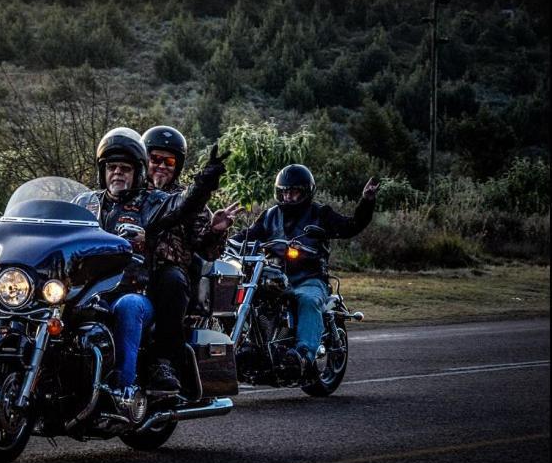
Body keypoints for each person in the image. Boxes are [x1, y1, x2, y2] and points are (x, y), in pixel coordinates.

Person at [73, 127, 226, 399]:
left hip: (152, 280)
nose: (118, 173)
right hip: (99, 284)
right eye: (112, 167)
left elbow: (185, 206)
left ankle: (152, 370)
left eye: (169, 162)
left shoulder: (155, 201)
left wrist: (205, 188)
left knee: (170, 281)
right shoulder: (88, 202)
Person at [230, 164, 379, 377]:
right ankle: (252, 348)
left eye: (294, 192)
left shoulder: (320, 214)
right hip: (274, 277)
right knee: (250, 300)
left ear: (306, 192)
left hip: (309, 279)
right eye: (285, 192)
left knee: (308, 299)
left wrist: (366, 202)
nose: (289, 197)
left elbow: (350, 226)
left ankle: (302, 356)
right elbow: (248, 235)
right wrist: (227, 241)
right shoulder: (269, 216)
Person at [140, 126, 240, 392]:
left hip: (168, 272)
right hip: (129, 269)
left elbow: (206, 251)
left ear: (178, 165)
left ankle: (164, 362)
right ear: (143, 159)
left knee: (172, 281)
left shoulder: (189, 199)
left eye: (169, 161)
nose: (161, 166)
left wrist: (215, 231)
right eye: (155, 159)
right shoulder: (129, 191)